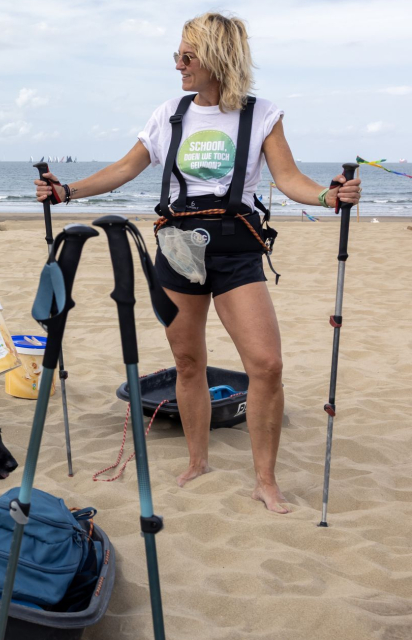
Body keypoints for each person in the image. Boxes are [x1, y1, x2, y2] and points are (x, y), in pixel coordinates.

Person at [34, 12, 360, 513]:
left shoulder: (262, 114)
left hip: (236, 251)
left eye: (188, 56)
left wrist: (328, 197)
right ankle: (197, 460)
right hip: (178, 250)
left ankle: (265, 481)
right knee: (188, 362)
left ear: (218, 58)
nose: (179, 65)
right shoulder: (169, 113)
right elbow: (126, 168)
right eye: (177, 56)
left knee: (267, 365)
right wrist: (66, 191)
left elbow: (291, 179)